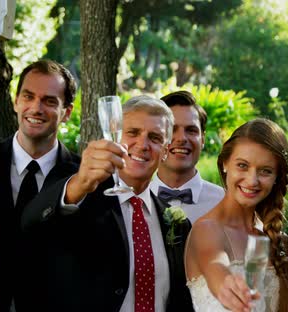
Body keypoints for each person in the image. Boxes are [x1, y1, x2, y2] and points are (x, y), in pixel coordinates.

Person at [21, 95, 193, 311]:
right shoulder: (79, 193)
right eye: (133, 133)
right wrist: (80, 183)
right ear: (115, 137)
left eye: (155, 138)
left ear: (166, 151)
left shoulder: (177, 224)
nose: (143, 144)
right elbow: (30, 222)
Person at [0, 59, 80, 311]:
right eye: (28, 96)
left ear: (67, 112)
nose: (36, 108)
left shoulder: (82, 178)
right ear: (17, 101)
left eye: (50, 101)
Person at [184, 118, 288, 312]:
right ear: (225, 162)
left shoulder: (278, 241)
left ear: (277, 177)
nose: (252, 180)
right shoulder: (207, 229)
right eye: (242, 166)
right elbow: (215, 264)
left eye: (265, 171)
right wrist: (224, 283)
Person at [150, 90, 224, 223]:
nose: (181, 138)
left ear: (202, 139)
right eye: (171, 129)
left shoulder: (225, 203)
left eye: (191, 130)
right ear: (155, 138)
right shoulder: (135, 201)